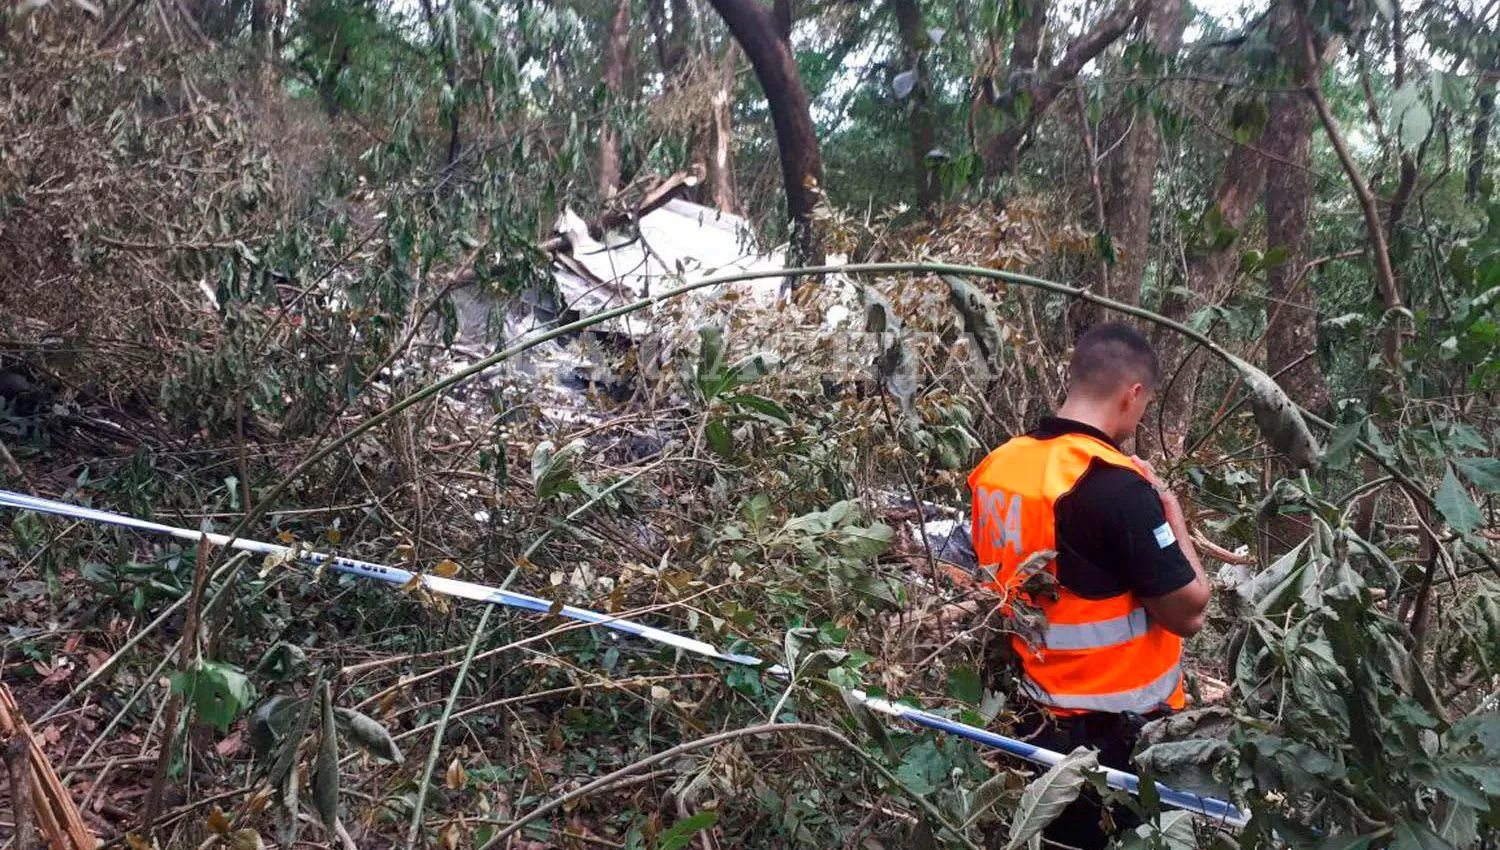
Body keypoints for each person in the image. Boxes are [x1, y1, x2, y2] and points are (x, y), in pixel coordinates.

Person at [967, 322, 1211, 850]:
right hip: (1112, 746)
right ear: (1134, 394)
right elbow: (1191, 611)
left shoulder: (998, 467)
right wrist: (1169, 508)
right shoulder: (1114, 486)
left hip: (1021, 718)